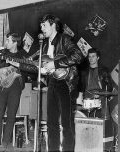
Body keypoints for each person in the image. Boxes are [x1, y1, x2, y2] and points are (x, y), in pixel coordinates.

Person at [39, 14, 83, 152]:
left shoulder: (64, 39)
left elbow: (78, 56)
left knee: (66, 123)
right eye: (41, 26)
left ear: (53, 25)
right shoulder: (44, 44)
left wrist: (55, 63)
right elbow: (42, 65)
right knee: (51, 123)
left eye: (44, 25)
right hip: (52, 83)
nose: (41, 29)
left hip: (66, 83)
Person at [0, 33, 37, 152]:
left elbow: (34, 69)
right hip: (2, 87)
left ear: (15, 42)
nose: (6, 42)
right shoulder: (1, 53)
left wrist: (17, 65)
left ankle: (5, 143)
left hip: (16, 86)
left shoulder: (23, 55)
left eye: (8, 40)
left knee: (11, 116)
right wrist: (1, 69)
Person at [76, 48, 113, 118]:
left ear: (98, 58)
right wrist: (80, 97)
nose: (91, 58)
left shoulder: (104, 70)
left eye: (93, 56)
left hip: (100, 95)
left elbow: (109, 86)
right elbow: (80, 86)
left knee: (104, 101)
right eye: (89, 56)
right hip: (87, 95)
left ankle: (105, 120)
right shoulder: (84, 71)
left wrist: (101, 94)